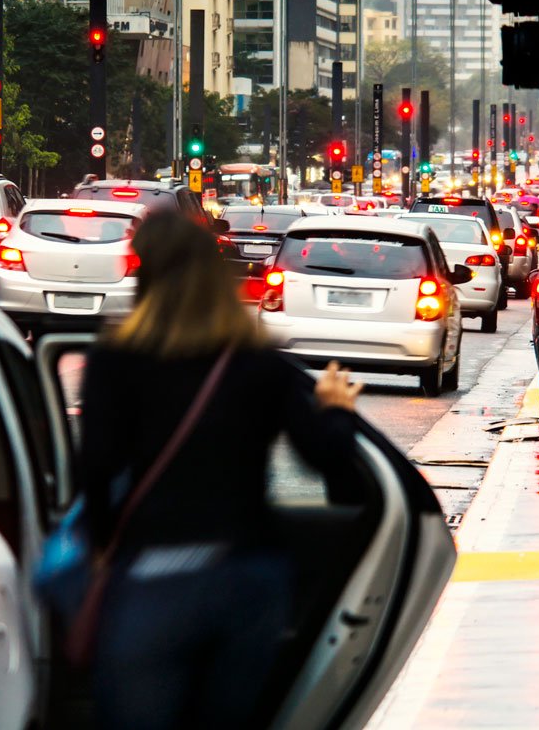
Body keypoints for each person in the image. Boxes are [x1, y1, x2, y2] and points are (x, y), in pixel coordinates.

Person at [80, 210, 362, 730]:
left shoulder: (117, 361)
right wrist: (337, 410)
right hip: (247, 574)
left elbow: (96, 468)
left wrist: (102, 549)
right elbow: (324, 457)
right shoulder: (257, 362)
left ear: (145, 275)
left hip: (154, 572)